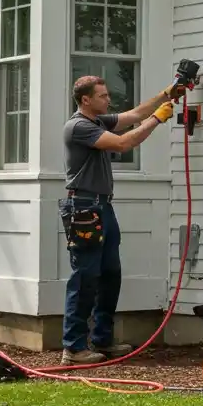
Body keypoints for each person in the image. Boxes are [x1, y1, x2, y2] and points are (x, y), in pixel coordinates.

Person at [59, 75, 185, 364]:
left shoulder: (97, 121)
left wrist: (166, 93)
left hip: (102, 207)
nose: (108, 100)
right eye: (102, 96)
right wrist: (158, 119)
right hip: (84, 208)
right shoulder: (79, 126)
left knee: (110, 275)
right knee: (85, 276)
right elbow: (123, 143)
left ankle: (102, 341)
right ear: (86, 100)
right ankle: (74, 347)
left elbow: (134, 115)